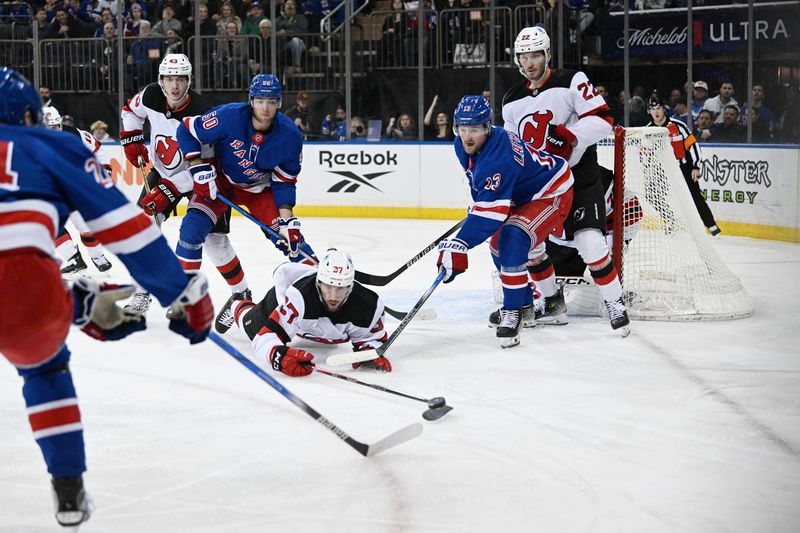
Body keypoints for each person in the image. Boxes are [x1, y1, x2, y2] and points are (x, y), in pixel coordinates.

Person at [0, 67, 213, 529]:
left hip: (27, 288)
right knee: (43, 361)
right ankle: (68, 490)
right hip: (26, 297)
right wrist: (181, 292)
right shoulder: (55, 145)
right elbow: (125, 228)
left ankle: (81, 301)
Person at [501, 25, 630, 333]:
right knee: (529, 244)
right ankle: (552, 302)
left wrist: (571, 137)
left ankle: (615, 302)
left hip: (580, 177)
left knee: (591, 242)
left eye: (535, 55)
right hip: (541, 186)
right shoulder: (511, 100)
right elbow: (511, 148)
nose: (530, 62)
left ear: (547, 54)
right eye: (524, 57)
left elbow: (604, 120)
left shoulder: (571, 80)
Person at [436, 95, 576, 348]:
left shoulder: (499, 156)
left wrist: (460, 243)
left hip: (551, 190)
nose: (468, 136)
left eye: (475, 129)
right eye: (463, 129)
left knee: (511, 239)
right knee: (498, 245)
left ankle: (513, 312)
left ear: (487, 128)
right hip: (522, 193)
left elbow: (491, 214)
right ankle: (526, 305)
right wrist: (481, 205)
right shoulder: (462, 145)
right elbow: (478, 183)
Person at [120, 53, 252, 313]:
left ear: (189, 81)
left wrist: (171, 188)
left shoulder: (203, 112)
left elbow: (209, 161)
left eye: (180, 79)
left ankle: (241, 293)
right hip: (163, 172)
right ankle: (142, 290)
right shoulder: (150, 95)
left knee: (215, 241)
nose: (174, 86)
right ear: (161, 80)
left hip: (201, 178)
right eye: (169, 79)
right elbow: (130, 112)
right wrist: (132, 140)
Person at [175, 73, 316, 316]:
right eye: (260, 100)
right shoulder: (228, 116)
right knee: (190, 232)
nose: (265, 107)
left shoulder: (290, 136)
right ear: (251, 100)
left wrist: (286, 219)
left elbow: (284, 181)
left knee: (292, 242)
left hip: (259, 192)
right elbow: (186, 130)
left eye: (272, 101)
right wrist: (197, 165)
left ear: (279, 103)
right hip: (219, 185)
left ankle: (325, 288)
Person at [214, 248, 392, 374]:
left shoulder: (369, 305)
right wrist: (278, 356)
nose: (333, 296)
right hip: (281, 302)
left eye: (340, 289)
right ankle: (236, 304)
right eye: (328, 287)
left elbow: (371, 340)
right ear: (318, 282)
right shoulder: (299, 297)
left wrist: (370, 351)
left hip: (317, 329)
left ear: (351, 286)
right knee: (250, 327)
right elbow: (264, 338)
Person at [42, 106, 115, 274]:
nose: (52, 131)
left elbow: (96, 147)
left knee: (85, 226)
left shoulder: (75, 134)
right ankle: (73, 258)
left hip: (74, 184)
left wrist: (104, 168)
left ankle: (98, 256)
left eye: (54, 126)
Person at [646, 95, 720, 236]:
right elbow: (645, 153)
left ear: (664, 109)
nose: (656, 112)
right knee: (651, 193)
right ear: (649, 111)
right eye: (653, 109)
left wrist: (696, 166)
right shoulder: (648, 131)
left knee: (695, 197)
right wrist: (648, 168)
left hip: (683, 168)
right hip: (663, 169)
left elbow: (693, 146)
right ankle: (669, 220)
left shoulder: (679, 126)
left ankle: (711, 225)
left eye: (659, 108)